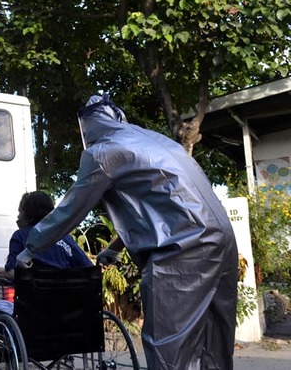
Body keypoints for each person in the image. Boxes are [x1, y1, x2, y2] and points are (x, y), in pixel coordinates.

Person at [17, 94, 238, 370]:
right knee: (215, 343)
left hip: (183, 250)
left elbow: (70, 210)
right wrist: (116, 246)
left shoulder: (102, 153)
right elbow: (162, 209)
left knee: (170, 349)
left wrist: (32, 246)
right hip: (222, 238)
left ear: (87, 125)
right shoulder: (156, 141)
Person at [0, 191, 92, 281]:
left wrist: (0, 272)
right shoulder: (65, 237)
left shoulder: (20, 236)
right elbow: (89, 269)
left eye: (20, 211)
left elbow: (13, 273)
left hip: (33, 302)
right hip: (67, 301)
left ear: (29, 214)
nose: (18, 216)